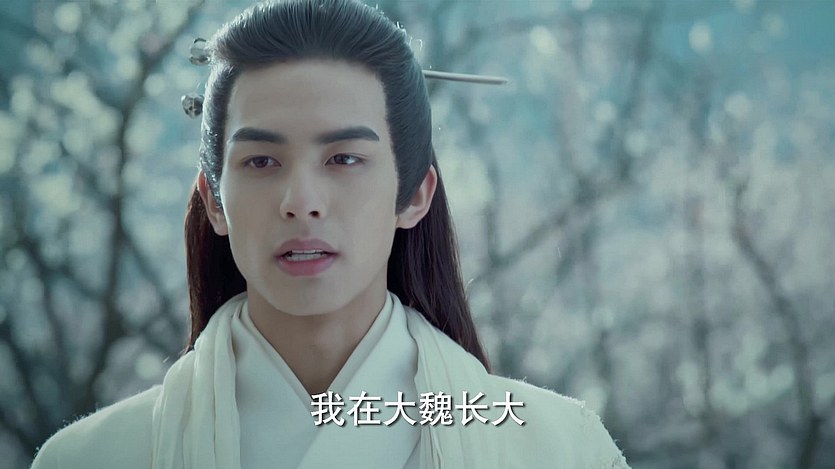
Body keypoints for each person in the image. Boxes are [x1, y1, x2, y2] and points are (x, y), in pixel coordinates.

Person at [31, 0, 629, 467]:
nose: (301, 203)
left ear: (415, 195)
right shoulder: (91, 458)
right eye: (261, 161)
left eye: (344, 159)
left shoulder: (558, 449)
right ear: (215, 201)